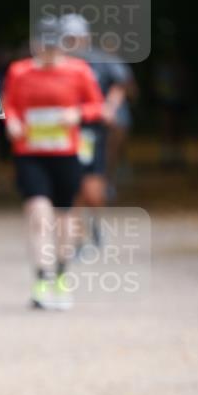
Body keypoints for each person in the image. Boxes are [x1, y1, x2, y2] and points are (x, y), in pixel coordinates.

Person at [2, 16, 104, 310]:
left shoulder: (79, 71)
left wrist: (78, 115)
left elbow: (97, 106)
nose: (47, 52)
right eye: (42, 46)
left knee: (63, 218)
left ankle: (60, 274)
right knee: (37, 213)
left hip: (66, 153)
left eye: (52, 46)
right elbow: (9, 104)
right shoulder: (20, 72)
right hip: (30, 153)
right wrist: (13, 121)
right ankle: (42, 278)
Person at [59, 14, 130, 245]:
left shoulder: (100, 60)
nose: (72, 43)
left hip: (90, 130)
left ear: (85, 38)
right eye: (67, 39)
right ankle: (77, 236)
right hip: (62, 131)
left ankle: (97, 224)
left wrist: (109, 108)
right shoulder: (57, 62)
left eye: (76, 38)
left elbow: (120, 83)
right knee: (73, 182)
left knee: (91, 185)